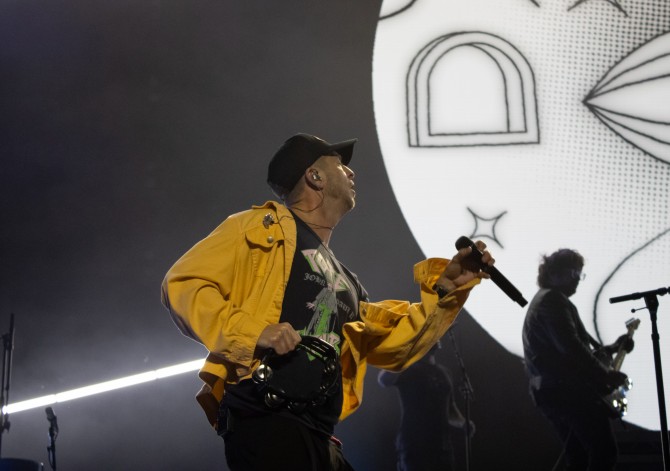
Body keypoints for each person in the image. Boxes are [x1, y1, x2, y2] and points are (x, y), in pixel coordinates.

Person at [161, 133, 495, 471]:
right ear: (315, 176)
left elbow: (396, 345)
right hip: (267, 417)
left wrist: (447, 289)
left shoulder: (347, 281)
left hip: (319, 435)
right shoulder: (259, 227)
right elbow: (185, 283)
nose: (351, 172)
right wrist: (254, 332)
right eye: (340, 165)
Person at [522, 249, 634, 471]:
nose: (577, 280)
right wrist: (606, 375)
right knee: (604, 452)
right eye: (573, 273)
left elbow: (571, 348)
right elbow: (571, 347)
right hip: (565, 392)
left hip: (552, 392)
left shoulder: (546, 299)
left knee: (579, 457)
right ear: (554, 273)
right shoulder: (553, 300)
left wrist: (613, 348)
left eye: (580, 274)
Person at [378, 340, 474, 471]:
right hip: (415, 447)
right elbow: (383, 380)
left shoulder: (444, 372)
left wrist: (462, 422)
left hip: (442, 448)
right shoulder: (408, 369)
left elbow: (450, 410)